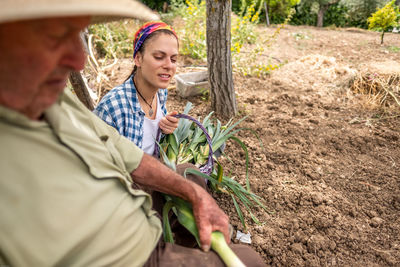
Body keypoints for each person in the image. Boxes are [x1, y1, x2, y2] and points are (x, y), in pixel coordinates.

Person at [0, 0, 265, 266]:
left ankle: (188, 237)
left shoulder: (58, 99)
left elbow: (128, 153)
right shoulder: (114, 105)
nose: (79, 61)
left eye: (173, 59)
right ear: (137, 59)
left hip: (135, 216)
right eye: (55, 38)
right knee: (248, 260)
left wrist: (167, 135)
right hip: (124, 236)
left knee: (190, 175)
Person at [94, 21, 180, 156]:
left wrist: (165, 129)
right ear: (138, 59)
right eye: (159, 57)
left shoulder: (160, 93)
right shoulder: (112, 109)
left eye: (173, 59)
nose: (169, 65)